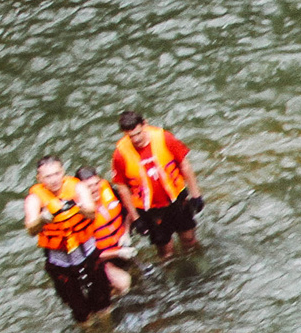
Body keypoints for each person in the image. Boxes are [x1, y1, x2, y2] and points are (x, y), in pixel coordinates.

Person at [22, 157, 113, 322]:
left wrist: (78, 208)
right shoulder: (34, 199)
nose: (54, 179)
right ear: (40, 179)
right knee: (79, 310)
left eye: (57, 174)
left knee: (103, 300)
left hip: (86, 249)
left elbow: (92, 213)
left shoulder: (77, 188)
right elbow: (30, 229)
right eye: (48, 176)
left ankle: (108, 329)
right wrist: (42, 219)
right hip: (60, 259)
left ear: (63, 172)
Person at [111, 111, 201, 257]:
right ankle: (171, 274)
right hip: (150, 208)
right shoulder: (120, 154)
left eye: (138, 133)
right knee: (165, 250)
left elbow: (184, 164)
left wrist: (196, 195)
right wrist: (136, 219)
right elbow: (122, 187)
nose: (136, 139)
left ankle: (198, 263)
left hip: (176, 199)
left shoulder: (164, 138)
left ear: (144, 124)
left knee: (189, 238)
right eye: (131, 136)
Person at [77, 165, 136, 295]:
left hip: (120, 246)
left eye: (96, 184)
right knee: (124, 282)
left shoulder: (109, 191)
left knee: (135, 275)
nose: (94, 189)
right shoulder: (78, 215)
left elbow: (127, 211)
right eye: (89, 187)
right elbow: (86, 254)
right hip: (99, 259)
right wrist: (118, 254)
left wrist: (126, 233)